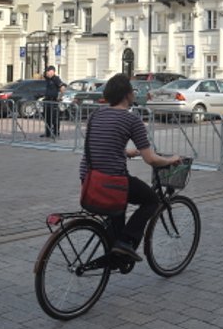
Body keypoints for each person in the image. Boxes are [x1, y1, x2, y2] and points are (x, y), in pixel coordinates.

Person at [78, 73, 181, 261]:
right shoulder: (131, 120)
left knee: (117, 209)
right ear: (127, 95)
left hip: (89, 177)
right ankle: (126, 242)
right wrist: (170, 160)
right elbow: (151, 159)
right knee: (151, 200)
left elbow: (99, 147)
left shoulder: (95, 115)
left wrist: (125, 153)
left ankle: (114, 251)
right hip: (111, 181)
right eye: (132, 91)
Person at [41, 65, 66, 138]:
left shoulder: (56, 79)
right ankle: (47, 132)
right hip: (47, 101)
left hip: (53, 101)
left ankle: (56, 133)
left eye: (48, 71)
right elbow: (43, 74)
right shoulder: (48, 79)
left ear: (52, 71)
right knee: (47, 117)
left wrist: (59, 97)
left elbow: (62, 88)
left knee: (54, 118)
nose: (47, 73)